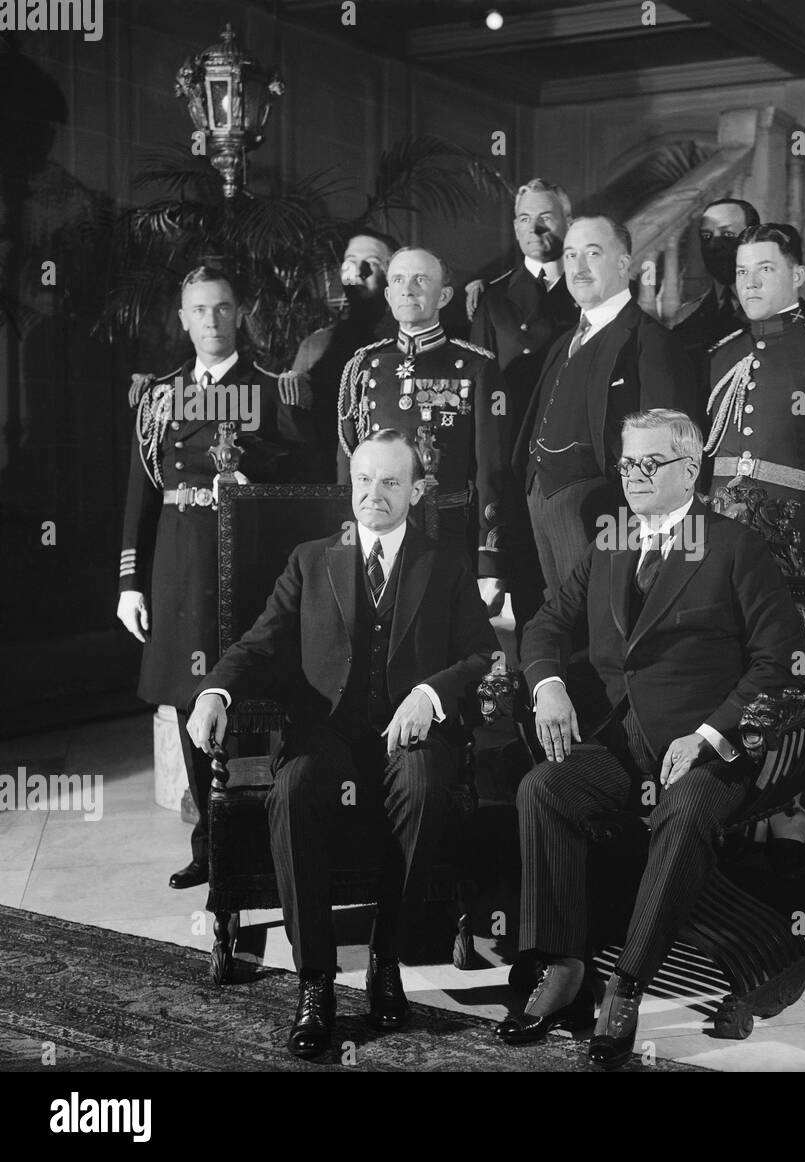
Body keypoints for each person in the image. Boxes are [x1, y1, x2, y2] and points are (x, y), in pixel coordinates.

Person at [495, 408, 804, 1069]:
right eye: (626, 463)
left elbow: (781, 664)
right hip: (620, 742)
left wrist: (711, 733)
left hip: (709, 750)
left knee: (686, 808)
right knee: (543, 788)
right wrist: (546, 683)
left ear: (690, 469)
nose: (632, 476)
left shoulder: (732, 547)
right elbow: (547, 624)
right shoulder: (611, 542)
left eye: (649, 464)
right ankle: (564, 967)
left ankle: (627, 986)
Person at [186, 429, 498, 1059]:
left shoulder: (446, 563)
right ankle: (316, 983)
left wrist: (431, 694)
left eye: (389, 482)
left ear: (416, 489)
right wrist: (215, 692)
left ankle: (388, 962)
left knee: (426, 785)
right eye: (363, 480)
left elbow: (479, 654)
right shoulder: (311, 558)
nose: (373, 494)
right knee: (294, 789)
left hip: (408, 735)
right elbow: (261, 641)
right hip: (325, 732)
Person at [117, 265, 311, 892]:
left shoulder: (269, 390)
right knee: (191, 701)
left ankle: (271, 839)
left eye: (222, 308)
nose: (211, 321)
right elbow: (140, 493)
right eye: (198, 310)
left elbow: (304, 490)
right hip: (179, 568)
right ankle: (211, 841)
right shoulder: (162, 395)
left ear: (240, 313)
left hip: (251, 568)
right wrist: (129, 582)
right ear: (182, 318)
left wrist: (255, 485)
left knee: (260, 700)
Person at [703, 221, 805, 859]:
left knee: (794, 698)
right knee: (725, 679)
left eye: (764, 269)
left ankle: (789, 846)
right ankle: (724, 827)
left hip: (797, 556)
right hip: (725, 551)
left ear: (797, 276)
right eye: (742, 271)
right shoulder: (720, 353)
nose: (750, 282)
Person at [515, 213, 695, 599]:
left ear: (623, 264)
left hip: (606, 521)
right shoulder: (562, 343)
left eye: (592, 253)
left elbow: (669, 458)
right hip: (536, 511)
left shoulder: (652, 343)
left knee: (597, 643)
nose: (578, 267)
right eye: (570, 255)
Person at [338, 246, 511, 614]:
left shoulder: (474, 367)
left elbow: (491, 472)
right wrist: (346, 543)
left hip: (446, 535)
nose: (408, 289)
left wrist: (489, 560)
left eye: (421, 280)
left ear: (444, 295)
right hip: (375, 537)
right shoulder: (365, 368)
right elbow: (347, 468)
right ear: (387, 294)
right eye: (398, 280)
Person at [468, 179, 580, 638]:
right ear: (514, 230)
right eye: (523, 218)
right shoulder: (491, 298)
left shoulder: (589, 288)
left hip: (573, 461)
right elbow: (478, 395)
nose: (534, 227)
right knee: (531, 600)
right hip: (515, 462)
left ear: (567, 223)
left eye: (546, 216)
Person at [281, 229, 399, 482]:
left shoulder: (404, 343)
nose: (359, 271)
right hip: (328, 481)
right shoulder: (315, 346)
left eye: (373, 263)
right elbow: (296, 438)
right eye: (351, 261)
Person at [669, 197, 759, 401]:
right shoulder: (685, 316)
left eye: (728, 235)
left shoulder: (773, 312)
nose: (714, 246)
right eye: (707, 236)